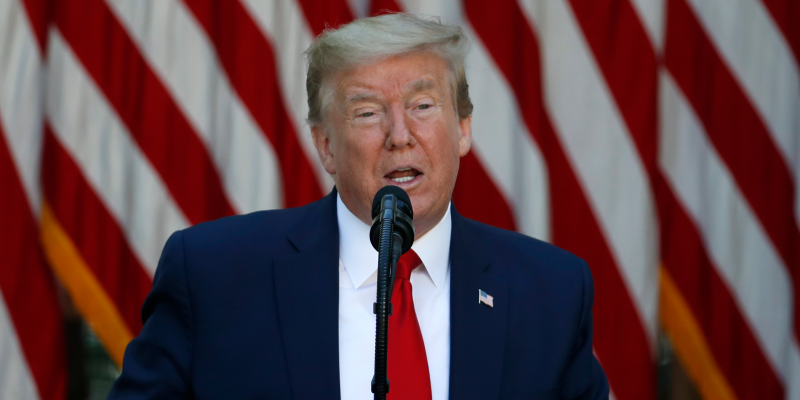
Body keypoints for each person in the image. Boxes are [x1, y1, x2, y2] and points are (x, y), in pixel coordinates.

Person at [108, 13, 608, 400]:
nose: (399, 135)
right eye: (367, 112)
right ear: (325, 144)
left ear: (463, 129)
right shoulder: (214, 275)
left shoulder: (551, 291)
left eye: (422, 105)